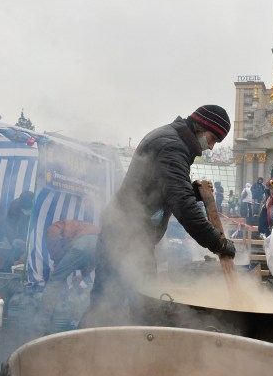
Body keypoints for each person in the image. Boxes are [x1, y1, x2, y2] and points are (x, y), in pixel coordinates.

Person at [82, 105, 235, 327]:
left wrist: (193, 192)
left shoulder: (172, 139)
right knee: (122, 303)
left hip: (132, 234)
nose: (210, 147)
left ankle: (116, 348)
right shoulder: (172, 146)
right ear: (201, 126)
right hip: (126, 235)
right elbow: (183, 205)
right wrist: (218, 243)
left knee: (127, 301)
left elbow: (161, 189)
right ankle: (88, 350)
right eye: (212, 139)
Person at [39, 219, 99, 332]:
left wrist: (58, 261)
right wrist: (83, 275)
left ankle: (44, 321)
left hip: (84, 243)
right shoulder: (84, 225)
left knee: (55, 279)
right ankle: (83, 319)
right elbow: (88, 263)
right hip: (99, 244)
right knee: (93, 284)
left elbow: (56, 248)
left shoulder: (56, 227)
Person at [1, 190, 34, 268]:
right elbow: (9, 225)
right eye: (24, 209)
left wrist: (30, 243)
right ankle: (7, 270)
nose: (26, 211)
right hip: (20, 236)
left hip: (33, 239)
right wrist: (13, 239)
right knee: (12, 257)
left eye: (28, 209)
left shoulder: (39, 206)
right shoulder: (15, 205)